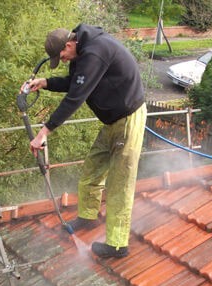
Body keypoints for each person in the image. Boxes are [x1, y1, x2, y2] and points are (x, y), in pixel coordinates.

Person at [24, 23, 146, 259]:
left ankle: (117, 245)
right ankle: (88, 216)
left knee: (120, 182)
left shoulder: (95, 52)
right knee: (92, 167)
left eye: (62, 57)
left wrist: (44, 132)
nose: (64, 61)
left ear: (69, 45)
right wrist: (46, 82)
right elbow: (75, 82)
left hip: (128, 119)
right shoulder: (82, 52)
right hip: (112, 121)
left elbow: (75, 98)